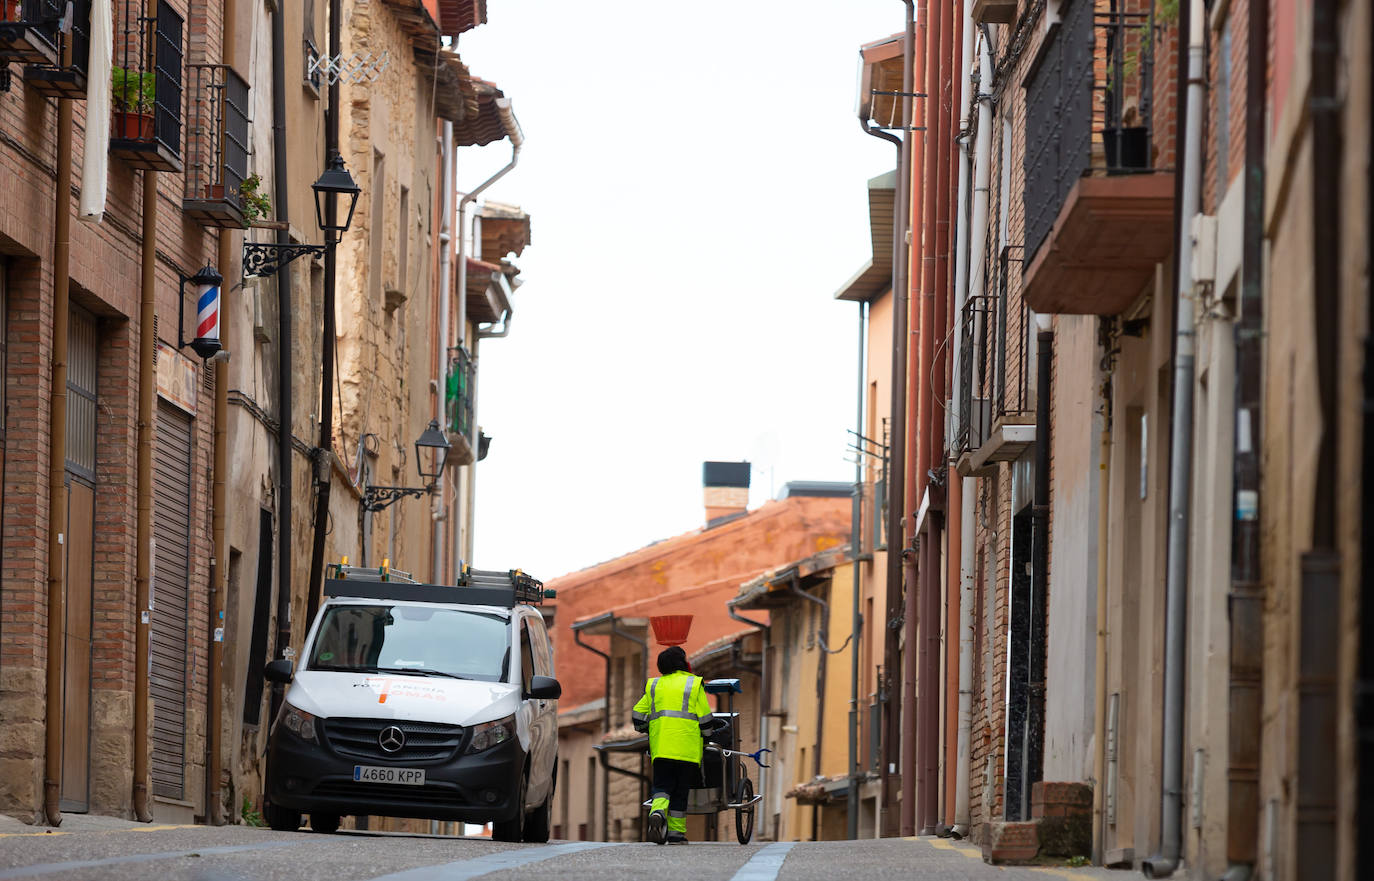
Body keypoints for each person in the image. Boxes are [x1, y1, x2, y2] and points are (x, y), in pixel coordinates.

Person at [631, 645, 713, 845]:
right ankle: (676, 834)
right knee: (680, 790)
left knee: (662, 785)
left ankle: (658, 810)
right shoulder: (693, 684)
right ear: (683, 663)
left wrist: (645, 728)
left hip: (661, 747)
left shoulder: (654, 685)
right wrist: (708, 735)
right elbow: (705, 718)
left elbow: (637, 714)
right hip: (687, 749)